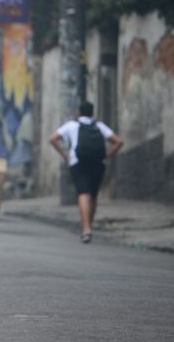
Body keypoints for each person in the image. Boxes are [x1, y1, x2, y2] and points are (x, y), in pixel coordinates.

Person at [49, 102, 124, 243]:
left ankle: (86, 228)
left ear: (79, 112)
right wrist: (107, 155)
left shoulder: (71, 125)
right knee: (93, 195)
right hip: (98, 163)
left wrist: (65, 155)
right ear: (92, 112)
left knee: (83, 193)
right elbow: (119, 141)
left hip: (78, 163)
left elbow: (52, 139)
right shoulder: (99, 126)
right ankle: (89, 225)